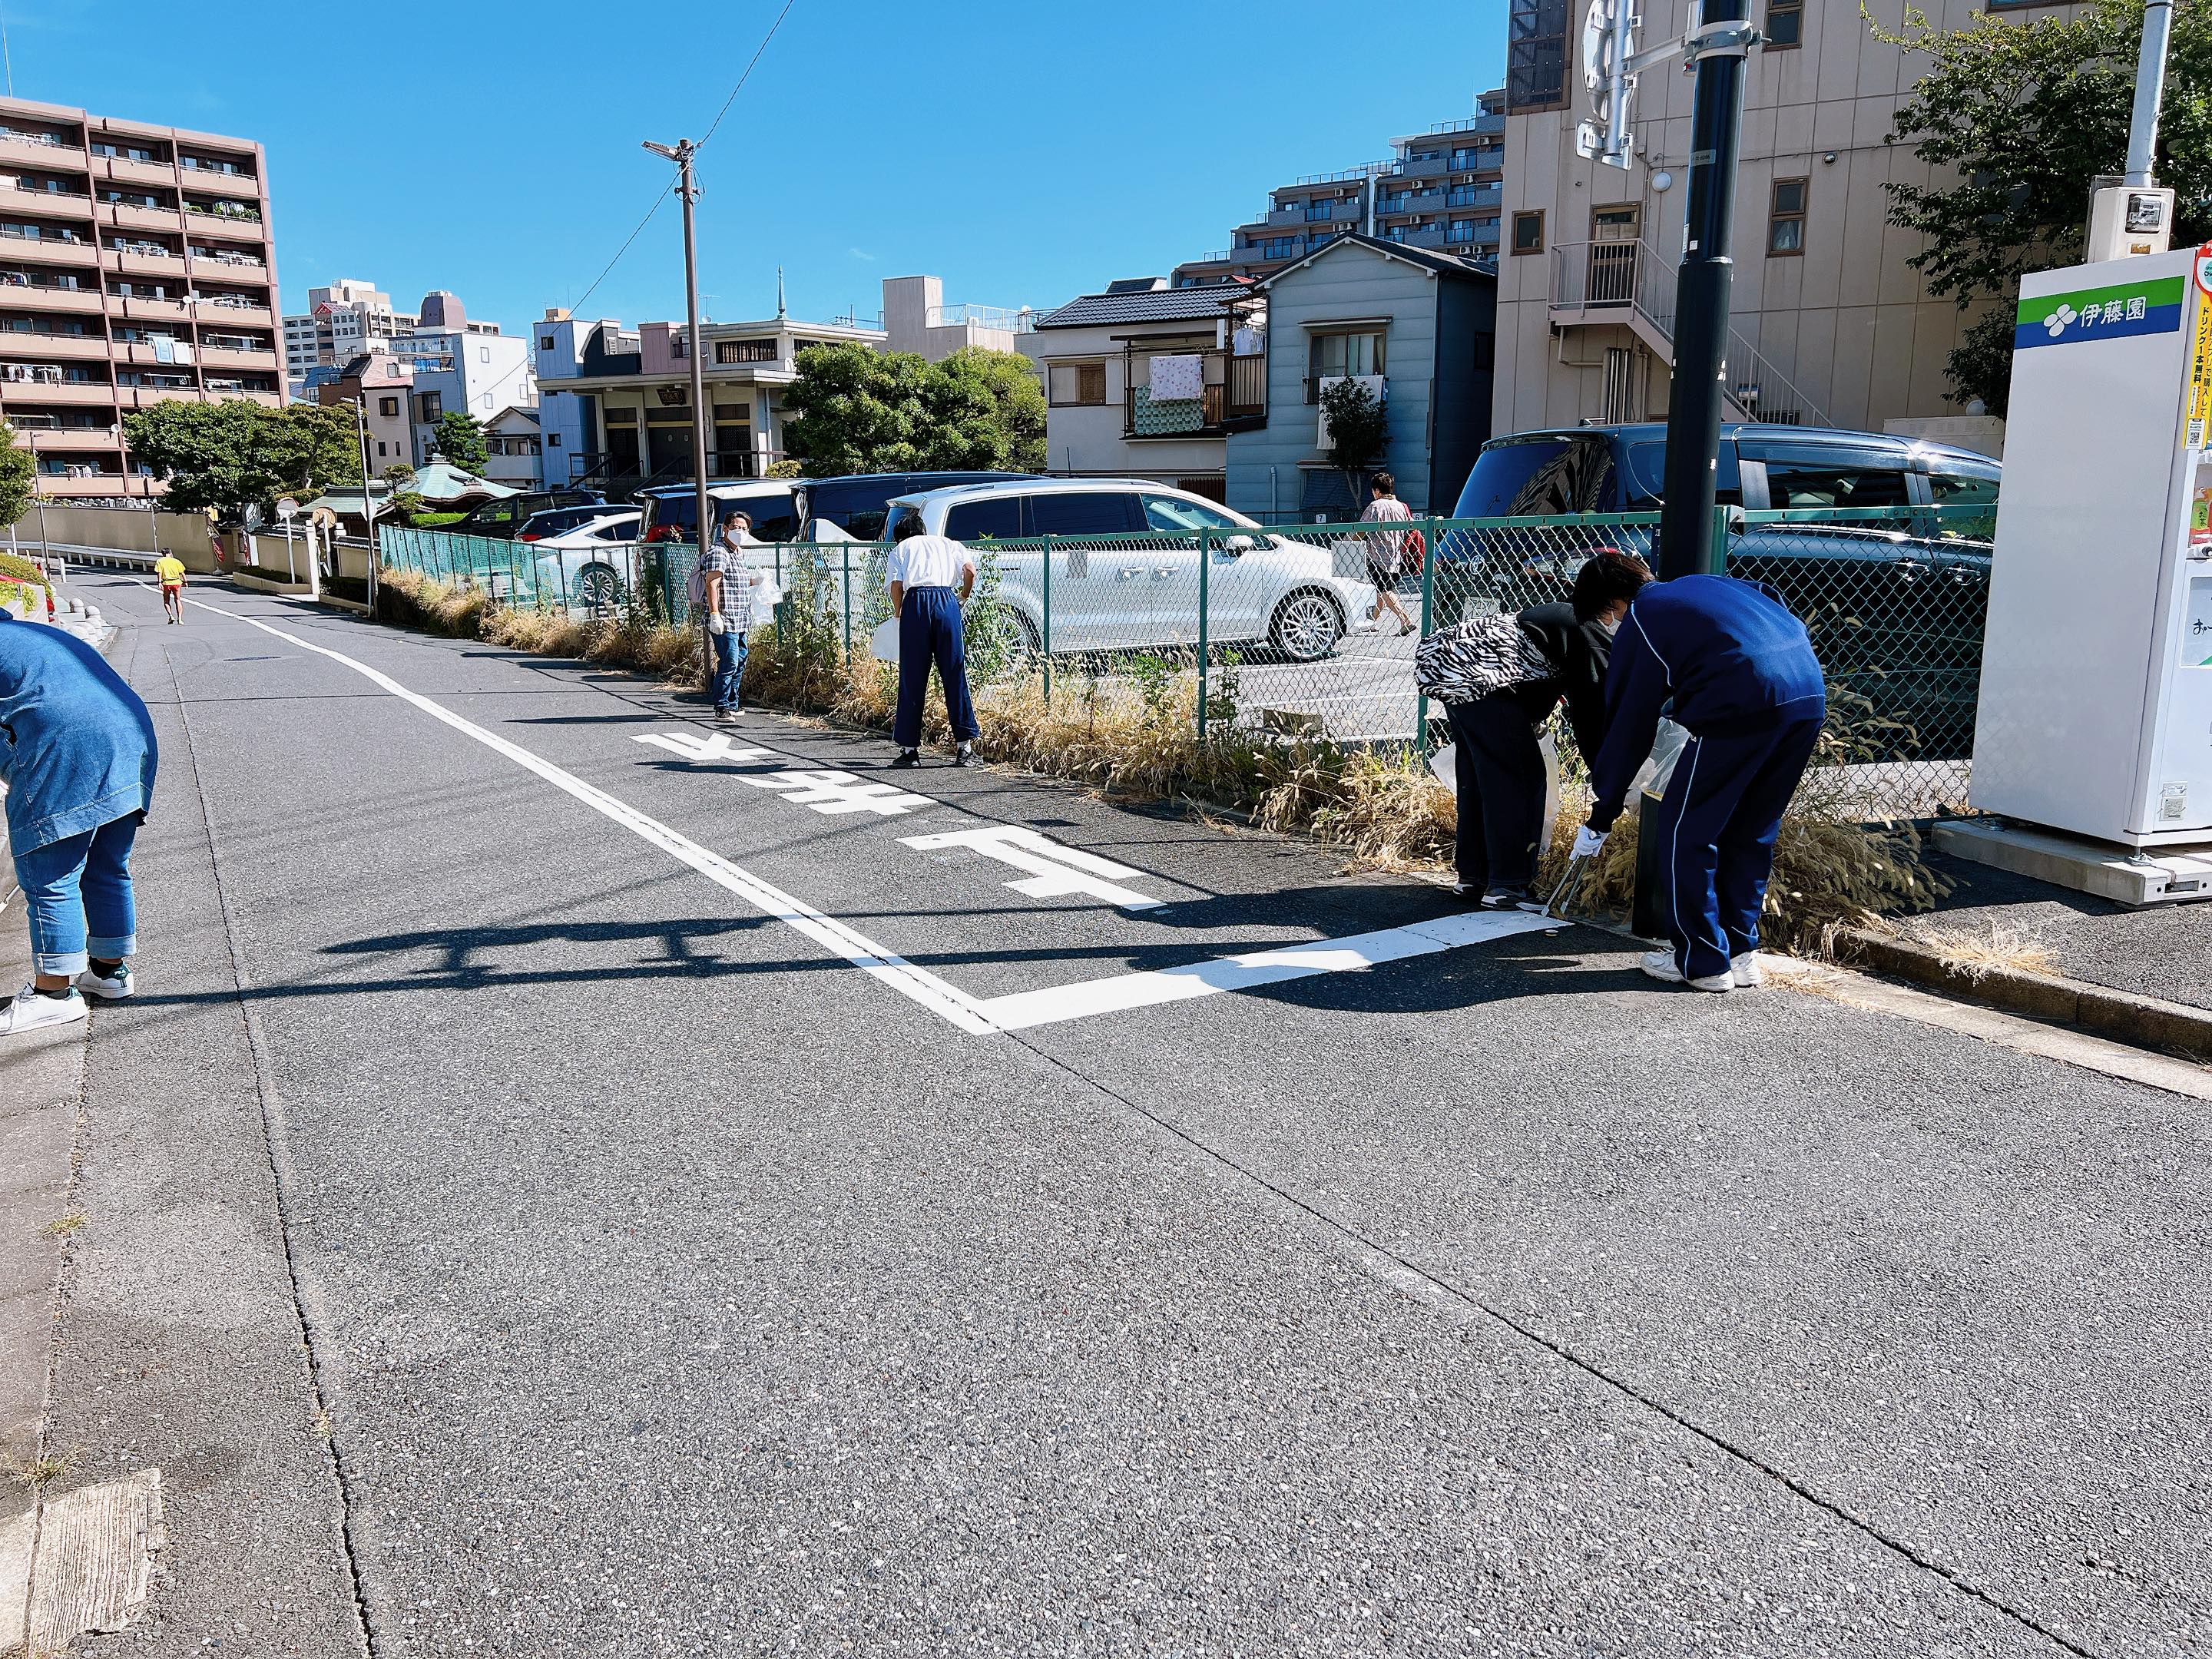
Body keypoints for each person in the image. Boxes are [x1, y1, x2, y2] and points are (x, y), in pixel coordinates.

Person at [1578, 572, 1826, 992]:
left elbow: (1628, 725)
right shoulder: (1710, 584)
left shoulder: (1642, 615)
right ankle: (1740, 953)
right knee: (1753, 829)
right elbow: (1771, 596)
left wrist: (1603, 813)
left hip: (1737, 706)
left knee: (1686, 831)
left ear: (1614, 602)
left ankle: (1702, 961)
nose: (1613, 623)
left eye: (1609, 615)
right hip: (1807, 694)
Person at [1446, 548, 1651, 908]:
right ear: (1613, 599)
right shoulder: (1588, 631)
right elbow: (1590, 714)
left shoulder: (1569, 617)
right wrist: (1607, 777)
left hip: (1454, 675)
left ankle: (1474, 877)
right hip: (1488, 688)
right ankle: (1508, 885)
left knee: (1480, 781)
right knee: (1520, 778)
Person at [0, 609, 157, 1035]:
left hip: (67, 742)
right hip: (130, 732)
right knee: (106, 864)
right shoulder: (27, 633)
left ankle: (53, 994)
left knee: (49, 871)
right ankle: (108, 971)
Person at [886, 513, 979, 769]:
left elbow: (896, 585)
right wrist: (963, 596)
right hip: (946, 602)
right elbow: (970, 571)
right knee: (954, 673)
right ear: (924, 530)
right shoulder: (950, 544)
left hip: (915, 603)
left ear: (900, 536)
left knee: (912, 677)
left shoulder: (901, 548)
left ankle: (910, 752)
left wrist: (898, 612)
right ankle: (964, 749)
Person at [695, 511, 760, 722]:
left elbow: (736, 580)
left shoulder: (738, 552)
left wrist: (755, 581)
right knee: (730, 661)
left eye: (744, 529)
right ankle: (721, 706)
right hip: (724, 618)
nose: (740, 532)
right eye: (735, 528)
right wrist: (715, 615)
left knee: (740, 659)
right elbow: (712, 584)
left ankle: (732, 703)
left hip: (740, 618)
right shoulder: (719, 552)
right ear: (725, 529)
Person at [1357, 472, 1419, 637]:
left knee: (1385, 590)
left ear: (1377, 490)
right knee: (1382, 591)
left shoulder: (1375, 507)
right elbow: (1410, 527)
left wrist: (1347, 542)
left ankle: (1406, 620)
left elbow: (1360, 530)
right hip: (1397, 555)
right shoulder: (1401, 506)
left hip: (1378, 557)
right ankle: (1371, 622)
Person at [153, 549, 186, 624]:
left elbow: (159, 572)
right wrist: (186, 582)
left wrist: (159, 582)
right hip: (176, 582)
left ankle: (171, 616)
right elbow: (182, 573)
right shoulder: (176, 561)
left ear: (162, 554)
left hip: (166, 583)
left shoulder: (160, 561)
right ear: (170, 553)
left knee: (166, 601)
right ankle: (180, 619)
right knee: (177, 600)